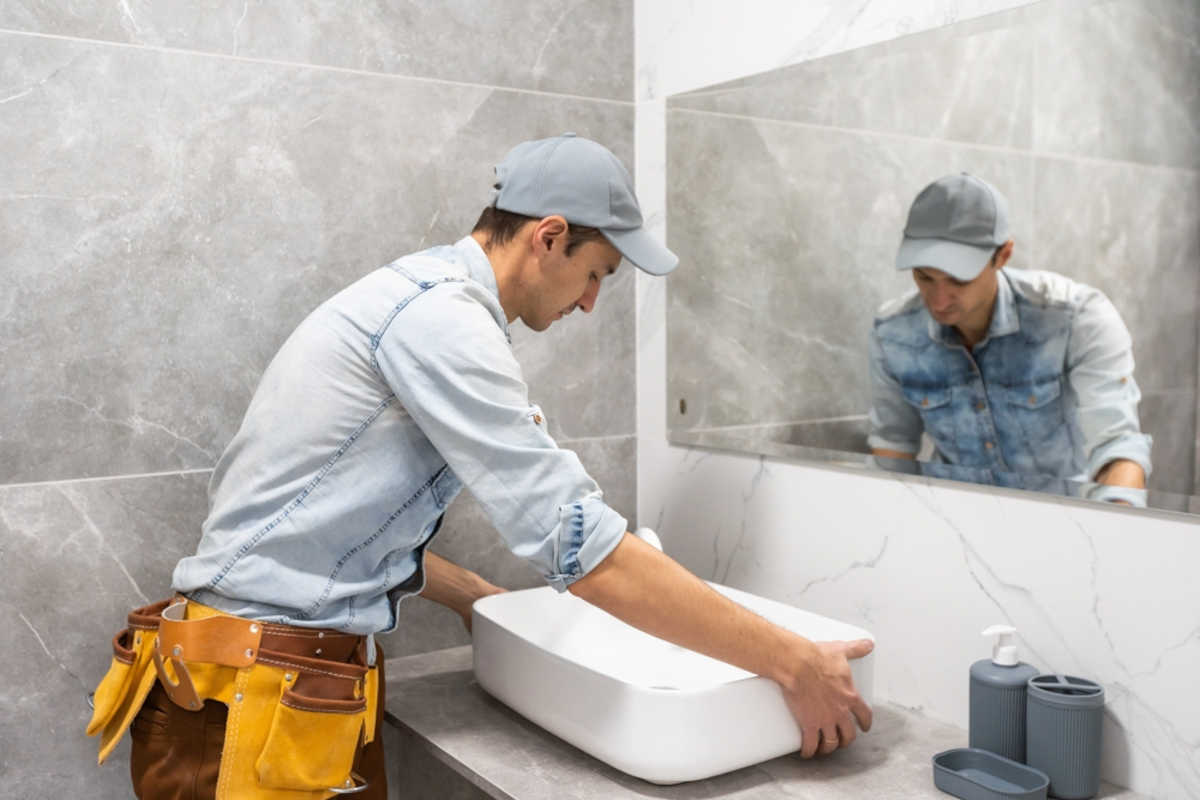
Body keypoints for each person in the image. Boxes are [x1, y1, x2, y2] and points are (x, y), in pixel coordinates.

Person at [87, 133, 874, 799]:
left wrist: (475, 597)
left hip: (276, 690)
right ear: (548, 236)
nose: (593, 301)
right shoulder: (442, 323)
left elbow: (322, 518)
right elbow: (583, 551)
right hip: (245, 705)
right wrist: (791, 660)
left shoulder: (419, 299)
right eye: (597, 271)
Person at [867, 173, 1151, 497]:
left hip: (1067, 525)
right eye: (924, 276)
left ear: (1002, 255)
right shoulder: (894, 335)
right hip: (955, 526)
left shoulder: (1076, 319)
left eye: (959, 280)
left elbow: (1118, 448)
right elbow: (893, 453)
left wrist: (1115, 525)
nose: (939, 300)